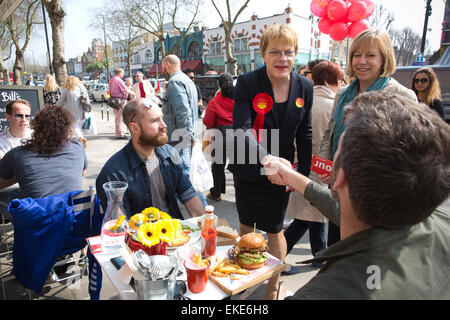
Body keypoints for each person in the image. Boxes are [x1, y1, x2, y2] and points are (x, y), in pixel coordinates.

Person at [264, 91, 450, 299]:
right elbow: (341, 208)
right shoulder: (436, 216)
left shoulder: (323, 293)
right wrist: (291, 176)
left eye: (339, 147)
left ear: (340, 176)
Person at [229, 24, 313, 300]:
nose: (282, 58)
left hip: (281, 175)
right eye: (274, 51)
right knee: (246, 227)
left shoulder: (305, 86)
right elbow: (241, 128)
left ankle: (272, 288)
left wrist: (304, 178)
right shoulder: (248, 83)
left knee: (275, 228)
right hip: (250, 167)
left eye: (288, 52)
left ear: (296, 54)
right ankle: (245, 279)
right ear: (263, 54)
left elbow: (305, 133)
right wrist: (267, 158)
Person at [317, 29, 417, 247]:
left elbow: (409, 154)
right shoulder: (343, 93)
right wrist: (326, 166)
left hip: (375, 200)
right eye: (356, 55)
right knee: (337, 254)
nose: (362, 61)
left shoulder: (402, 96)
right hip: (339, 193)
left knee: (364, 265)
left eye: (370, 55)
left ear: (384, 59)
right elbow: (330, 131)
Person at [96, 98, 204, 219]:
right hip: (138, 236)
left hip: (173, 232)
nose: (164, 125)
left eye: (161, 118)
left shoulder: (170, 154)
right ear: (134, 128)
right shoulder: (113, 174)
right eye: (155, 121)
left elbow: (187, 193)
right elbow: (121, 224)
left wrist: (206, 226)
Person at [284, 61, 344, 274]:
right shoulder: (334, 106)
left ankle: (319, 255)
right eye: (339, 79)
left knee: (315, 215)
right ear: (332, 80)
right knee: (306, 217)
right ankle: (276, 254)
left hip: (301, 166)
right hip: (323, 170)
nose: (341, 83)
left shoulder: (302, 102)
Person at [0, 105, 88, 198]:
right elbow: (82, 172)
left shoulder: (18, 154)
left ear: (36, 127)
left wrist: (22, 173)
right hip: (72, 210)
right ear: (67, 127)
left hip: (37, 211)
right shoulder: (78, 147)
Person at [161, 54, 207, 207]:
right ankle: (171, 209)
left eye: (162, 67)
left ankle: (205, 214)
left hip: (179, 137)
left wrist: (186, 137)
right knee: (177, 174)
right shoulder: (188, 81)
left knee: (186, 177)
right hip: (185, 135)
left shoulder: (175, 82)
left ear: (168, 65)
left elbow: (183, 112)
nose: (162, 71)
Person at [202, 72, 235, 202]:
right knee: (239, 165)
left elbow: (208, 121)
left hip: (220, 136)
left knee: (217, 166)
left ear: (219, 85)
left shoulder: (215, 100)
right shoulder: (240, 98)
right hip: (238, 135)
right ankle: (241, 194)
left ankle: (216, 193)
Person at [56, 76, 89, 146]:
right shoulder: (81, 88)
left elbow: (60, 101)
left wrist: (56, 107)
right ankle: (80, 141)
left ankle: (80, 138)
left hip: (71, 112)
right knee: (78, 126)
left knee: (74, 127)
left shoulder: (67, 89)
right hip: (82, 111)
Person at [108, 68, 136, 139]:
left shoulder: (111, 79)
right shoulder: (118, 80)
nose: (123, 74)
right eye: (122, 73)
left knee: (117, 117)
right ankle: (120, 134)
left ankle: (119, 132)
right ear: (119, 73)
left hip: (114, 100)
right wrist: (133, 93)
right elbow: (125, 90)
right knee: (120, 118)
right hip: (120, 100)